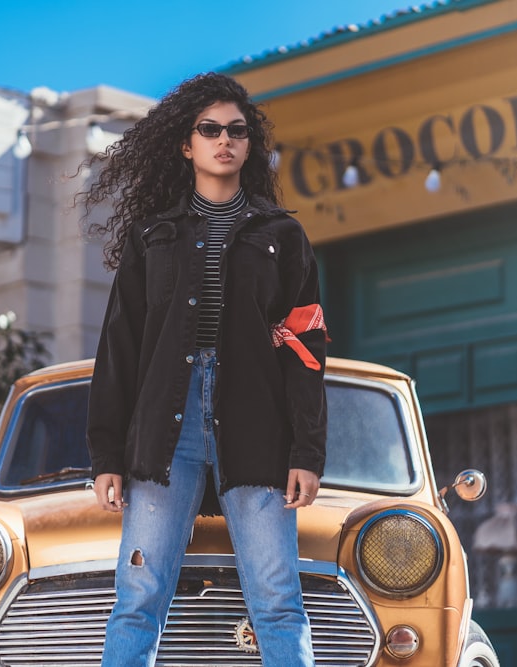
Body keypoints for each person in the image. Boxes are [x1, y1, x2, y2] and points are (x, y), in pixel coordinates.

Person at [79, 72, 327, 667]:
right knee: (138, 596)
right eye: (210, 129)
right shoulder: (153, 237)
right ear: (186, 145)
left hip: (256, 420)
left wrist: (307, 452)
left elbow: (307, 347)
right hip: (167, 422)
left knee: (276, 598)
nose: (225, 140)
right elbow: (120, 349)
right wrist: (108, 456)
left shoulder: (283, 236)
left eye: (237, 131)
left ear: (249, 146)